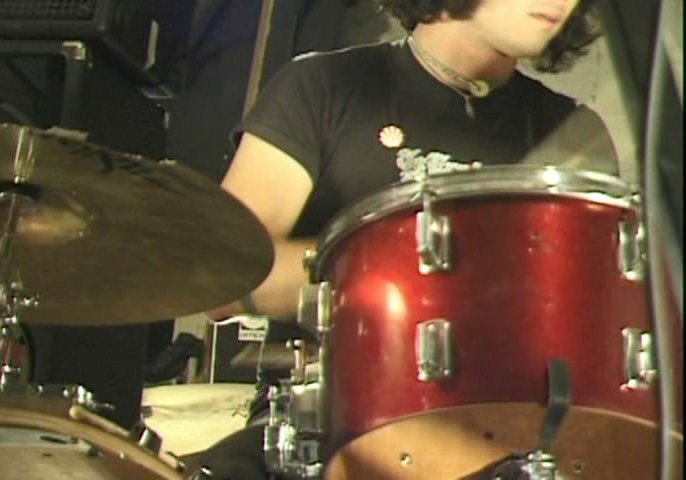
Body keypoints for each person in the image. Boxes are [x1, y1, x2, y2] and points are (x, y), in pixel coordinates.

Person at [187, 0, 619, 478]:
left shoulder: (575, 134)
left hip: (517, 440)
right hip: (319, 434)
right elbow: (217, 276)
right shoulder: (323, 86)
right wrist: (406, 267)